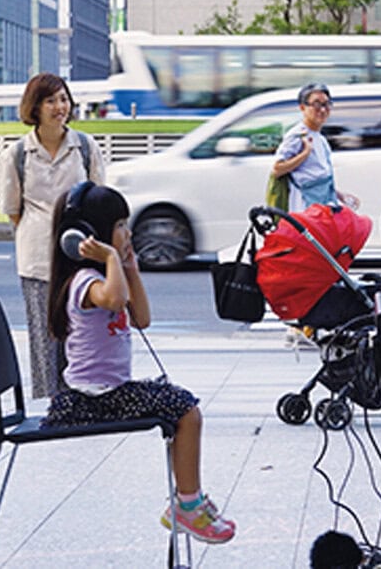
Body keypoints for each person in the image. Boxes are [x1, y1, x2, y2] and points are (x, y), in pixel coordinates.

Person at [42, 182, 237, 545]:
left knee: (179, 404)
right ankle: (188, 505)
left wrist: (128, 265)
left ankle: (186, 501)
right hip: (90, 399)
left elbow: (142, 317)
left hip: (105, 392)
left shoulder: (105, 275)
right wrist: (112, 259)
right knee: (186, 410)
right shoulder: (86, 280)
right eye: (119, 226)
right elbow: (115, 301)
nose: (127, 232)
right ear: (88, 237)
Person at [0, 72, 105, 399]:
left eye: (64, 99)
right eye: (51, 101)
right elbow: (13, 210)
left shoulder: (85, 147)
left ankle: (80, 399)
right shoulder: (17, 155)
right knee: (45, 338)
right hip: (37, 261)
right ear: (35, 107)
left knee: (81, 332)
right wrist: (42, 233)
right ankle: (50, 403)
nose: (60, 107)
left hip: (79, 258)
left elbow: (99, 201)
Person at [272, 82, 360, 212]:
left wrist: (340, 195)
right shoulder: (297, 136)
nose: (323, 110)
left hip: (321, 208)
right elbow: (277, 169)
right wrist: (304, 154)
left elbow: (318, 177)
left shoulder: (320, 138)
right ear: (302, 107)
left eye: (326, 104)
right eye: (316, 104)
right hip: (305, 211)